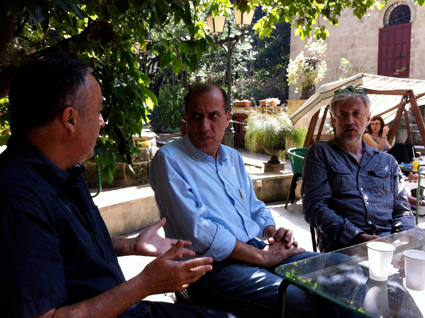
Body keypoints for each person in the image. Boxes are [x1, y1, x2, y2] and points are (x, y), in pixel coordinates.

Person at [0, 52, 237, 318]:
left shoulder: (61, 170)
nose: (102, 122)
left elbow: (67, 245)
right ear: (70, 119)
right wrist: (146, 283)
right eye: (99, 111)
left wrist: (132, 245)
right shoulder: (17, 199)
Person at [150, 82, 363, 318]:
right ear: (186, 119)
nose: (204, 125)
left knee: (348, 272)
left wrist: (272, 232)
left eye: (213, 116)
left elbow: (253, 207)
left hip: (256, 250)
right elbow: (200, 235)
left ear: (228, 118)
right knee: (310, 301)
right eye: (196, 116)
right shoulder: (169, 160)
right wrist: (263, 257)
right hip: (210, 269)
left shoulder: (232, 157)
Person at [302, 86, 416, 253]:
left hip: (389, 245)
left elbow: (402, 209)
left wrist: (403, 238)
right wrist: (357, 236)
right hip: (344, 246)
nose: (350, 121)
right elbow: (315, 207)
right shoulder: (321, 153)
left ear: (368, 118)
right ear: (334, 120)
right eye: (343, 114)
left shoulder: (388, 161)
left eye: (356, 113)